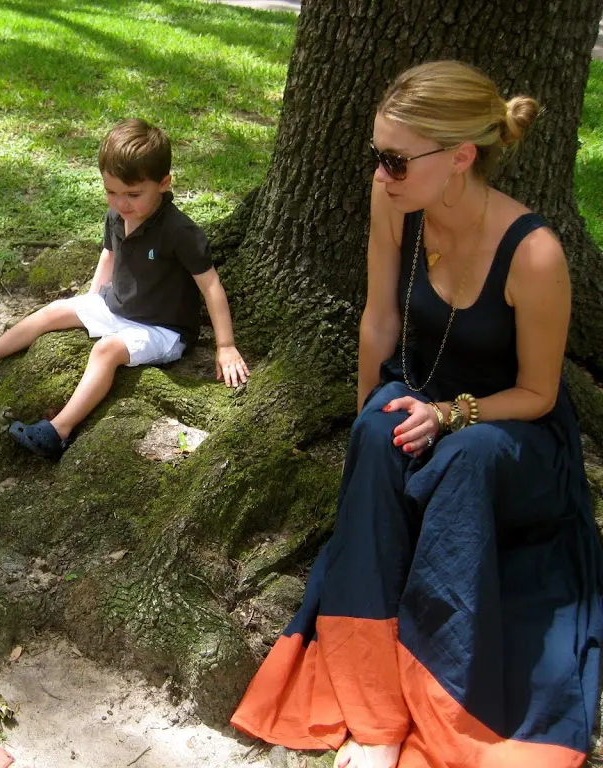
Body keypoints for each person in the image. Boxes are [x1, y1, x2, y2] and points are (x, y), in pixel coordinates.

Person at [231, 60, 603, 768]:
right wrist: (365, 436)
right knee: (378, 428)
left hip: (510, 433)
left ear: (459, 157)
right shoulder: (393, 201)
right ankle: (375, 712)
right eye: (378, 154)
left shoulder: (534, 255)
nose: (382, 173)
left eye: (397, 160)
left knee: (466, 457)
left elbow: (538, 394)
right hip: (420, 390)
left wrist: (450, 414)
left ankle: (441, 697)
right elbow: (379, 321)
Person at [0, 118, 250, 460]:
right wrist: (91, 298)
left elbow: (211, 285)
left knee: (105, 351)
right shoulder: (116, 216)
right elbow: (109, 255)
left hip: (161, 329)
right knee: (55, 310)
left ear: (163, 183)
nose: (121, 203)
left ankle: (58, 431)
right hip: (117, 305)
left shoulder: (180, 232)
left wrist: (225, 346)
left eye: (133, 194)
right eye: (111, 192)